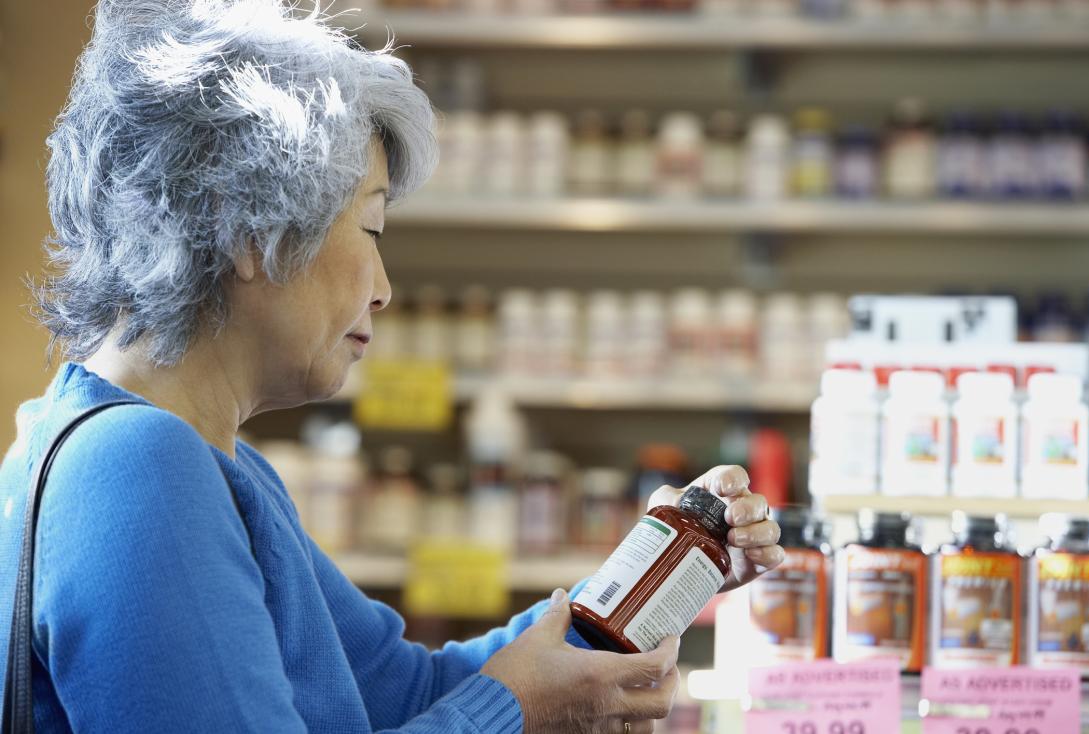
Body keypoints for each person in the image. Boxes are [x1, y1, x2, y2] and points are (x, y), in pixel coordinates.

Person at [0, 2, 785, 732]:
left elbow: (402, 693)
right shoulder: (138, 470)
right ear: (241, 227)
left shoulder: (206, 463)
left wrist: (651, 575)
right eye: (371, 229)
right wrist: (508, 716)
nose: (383, 290)